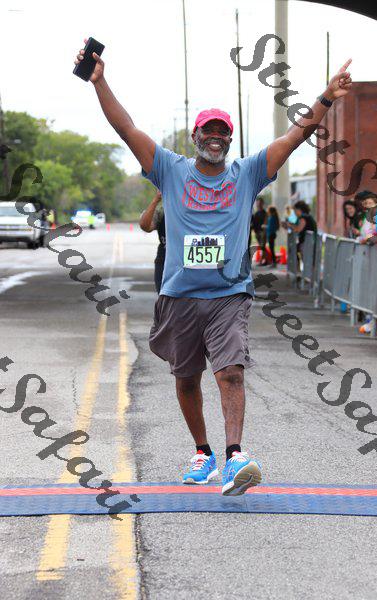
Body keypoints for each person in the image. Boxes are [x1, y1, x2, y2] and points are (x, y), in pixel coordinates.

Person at [74, 40, 352, 496]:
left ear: (230, 139)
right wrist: (99, 82)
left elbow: (294, 137)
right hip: (180, 295)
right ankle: (202, 452)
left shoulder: (247, 174)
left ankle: (235, 455)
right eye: (209, 131)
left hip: (229, 294)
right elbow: (126, 128)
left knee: (231, 371)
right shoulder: (170, 170)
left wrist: (325, 96)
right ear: (196, 137)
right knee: (187, 379)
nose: (216, 137)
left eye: (223, 132)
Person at [139, 191, 166, 294]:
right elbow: (145, 226)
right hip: (165, 263)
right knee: (165, 297)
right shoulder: (162, 212)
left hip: (190, 265)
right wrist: (156, 200)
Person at [250, 197, 268, 265]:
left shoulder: (265, 213)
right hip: (257, 232)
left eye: (260, 203)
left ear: (262, 204)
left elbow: (266, 223)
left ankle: (262, 261)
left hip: (262, 232)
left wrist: (264, 231)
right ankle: (265, 260)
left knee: (262, 246)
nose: (258, 204)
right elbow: (254, 223)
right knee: (261, 246)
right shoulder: (256, 213)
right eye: (258, 203)